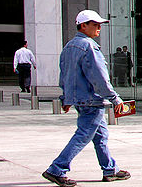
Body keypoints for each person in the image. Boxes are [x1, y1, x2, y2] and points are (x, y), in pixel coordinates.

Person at [43, 10, 130, 186]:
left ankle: (109, 169)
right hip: (92, 100)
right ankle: (57, 169)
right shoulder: (90, 47)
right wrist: (115, 99)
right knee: (83, 135)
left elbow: (65, 76)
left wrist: (66, 99)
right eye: (95, 24)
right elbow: (99, 78)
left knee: (100, 136)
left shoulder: (68, 47)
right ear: (83, 26)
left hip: (81, 101)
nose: (99, 28)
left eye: (100, 25)